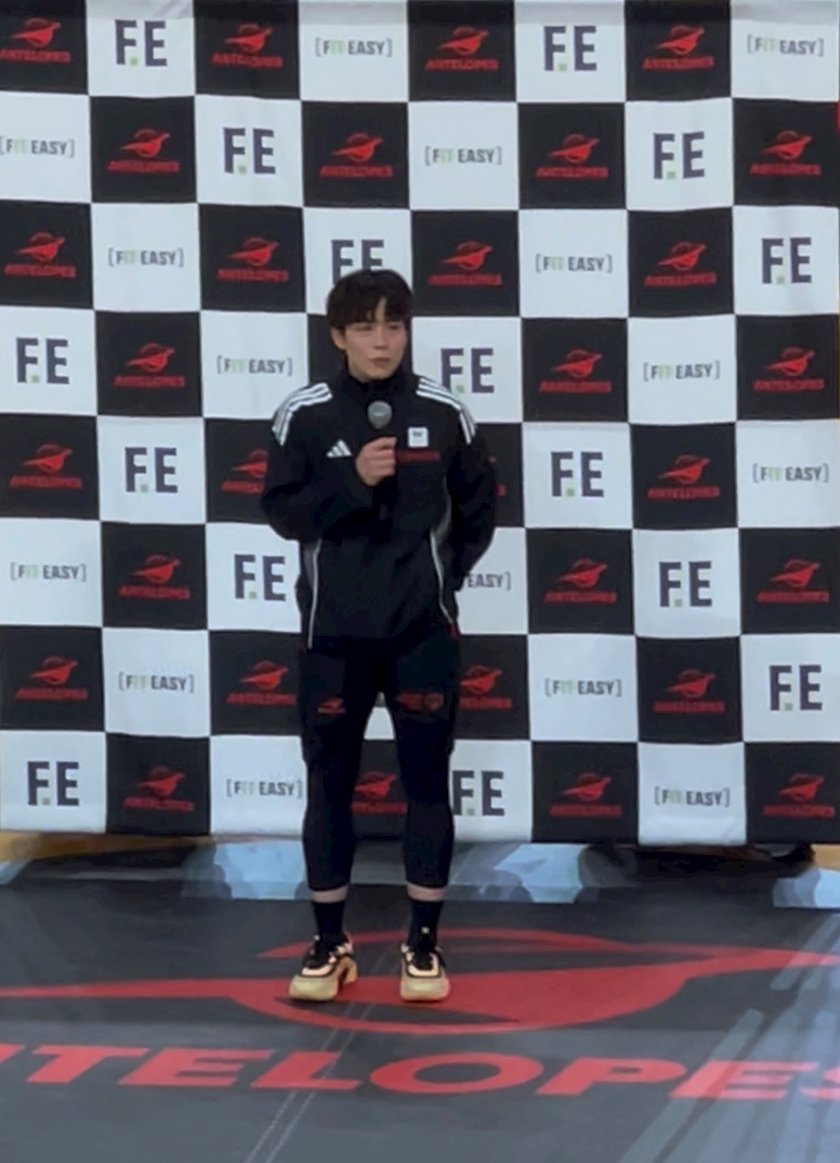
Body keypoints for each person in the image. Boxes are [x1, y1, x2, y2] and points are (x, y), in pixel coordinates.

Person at [260, 269, 497, 1004]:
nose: (382, 341)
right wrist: (354, 481)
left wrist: (439, 584)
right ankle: (330, 943)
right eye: (365, 327)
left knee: (427, 784)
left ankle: (422, 944)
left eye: (394, 325)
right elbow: (284, 514)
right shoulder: (303, 414)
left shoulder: (445, 411)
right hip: (332, 638)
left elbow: (479, 513)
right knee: (329, 785)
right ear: (338, 335)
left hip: (421, 635)